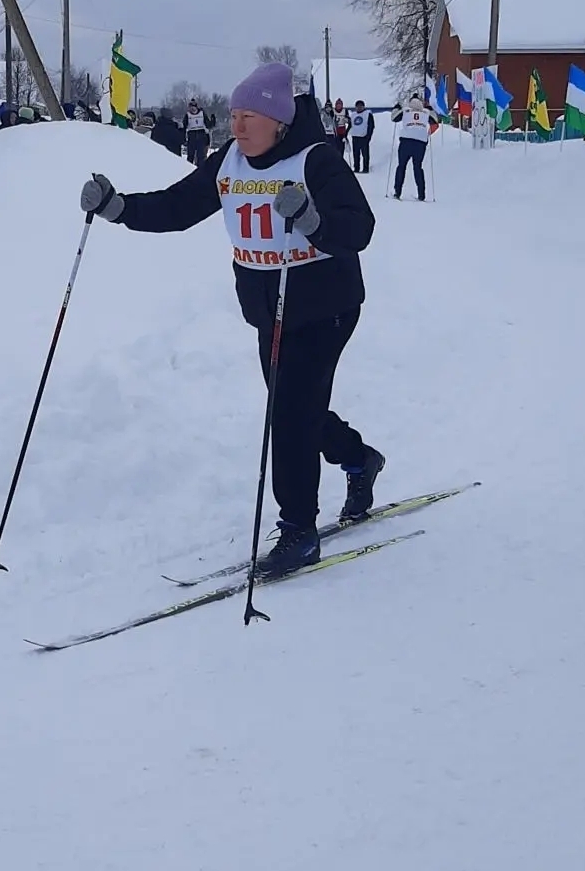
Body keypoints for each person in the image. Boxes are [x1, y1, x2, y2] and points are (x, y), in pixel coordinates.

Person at [79, 62, 384, 577]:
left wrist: (313, 221)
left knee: (288, 415)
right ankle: (359, 459)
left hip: (325, 307)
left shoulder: (318, 161)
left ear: (279, 122)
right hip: (271, 311)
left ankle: (298, 530)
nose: (237, 126)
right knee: (295, 411)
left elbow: (359, 228)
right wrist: (118, 207)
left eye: (249, 116)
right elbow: (178, 207)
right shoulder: (230, 163)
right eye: (235, 115)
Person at [391, 94, 433, 200]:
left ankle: (397, 191)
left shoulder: (406, 111)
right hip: (420, 143)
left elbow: (394, 118)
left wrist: (396, 108)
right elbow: (435, 120)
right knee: (418, 167)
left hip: (406, 141)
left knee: (401, 166)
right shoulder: (425, 112)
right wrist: (430, 109)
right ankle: (421, 194)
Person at [182, 99, 213, 165]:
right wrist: (183, 137)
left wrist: (212, 122)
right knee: (190, 156)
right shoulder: (187, 115)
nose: (192, 109)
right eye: (191, 107)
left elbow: (208, 125)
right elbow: (184, 126)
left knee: (201, 156)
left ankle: (200, 170)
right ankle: (188, 169)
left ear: (196, 107)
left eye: (194, 107)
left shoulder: (202, 113)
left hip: (201, 136)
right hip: (191, 136)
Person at [348, 99, 374, 174]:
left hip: (364, 137)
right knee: (356, 154)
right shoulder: (353, 115)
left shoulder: (367, 114)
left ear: (363, 107)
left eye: (360, 106)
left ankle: (365, 168)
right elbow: (350, 125)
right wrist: (346, 134)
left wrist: (368, 137)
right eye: (357, 106)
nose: (359, 108)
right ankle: (356, 168)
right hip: (355, 137)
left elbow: (371, 126)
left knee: (365, 154)